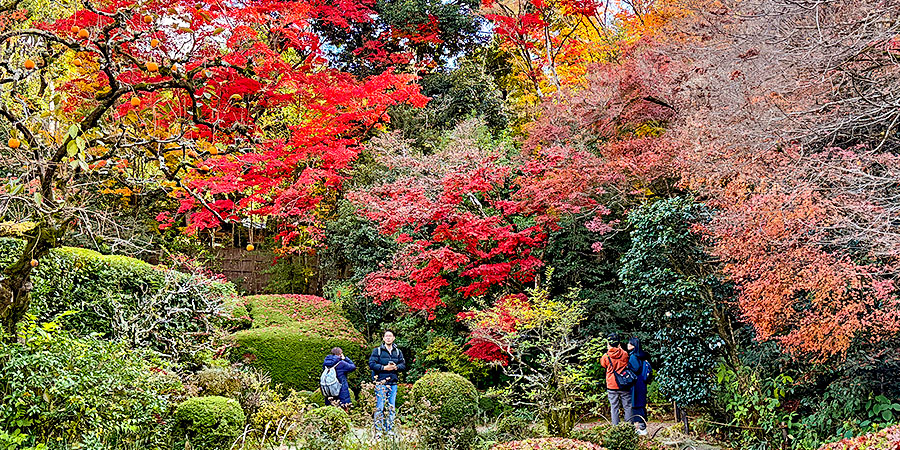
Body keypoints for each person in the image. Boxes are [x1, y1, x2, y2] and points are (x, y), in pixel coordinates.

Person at [368, 329, 406, 437]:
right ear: (383, 338)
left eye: (390, 336)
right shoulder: (377, 351)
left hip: (393, 382)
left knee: (391, 407)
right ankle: (379, 431)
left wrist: (396, 367)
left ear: (393, 338)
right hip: (380, 382)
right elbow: (371, 364)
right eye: (386, 336)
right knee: (380, 407)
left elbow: (403, 365)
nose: (388, 338)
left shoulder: (398, 352)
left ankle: (390, 430)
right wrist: (384, 368)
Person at [600, 332, 633, 426]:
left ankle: (616, 428)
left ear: (608, 344)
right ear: (619, 343)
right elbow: (626, 361)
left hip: (611, 384)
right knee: (627, 406)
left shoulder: (606, 356)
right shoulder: (625, 354)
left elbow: (603, 365)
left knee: (614, 407)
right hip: (624, 383)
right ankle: (629, 427)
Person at [628, 337, 651, 435]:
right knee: (641, 405)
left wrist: (627, 366)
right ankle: (643, 427)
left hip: (636, 384)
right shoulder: (643, 355)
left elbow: (636, 368)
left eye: (630, 343)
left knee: (636, 405)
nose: (628, 345)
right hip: (642, 383)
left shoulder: (633, 356)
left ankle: (642, 428)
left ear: (634, 346)